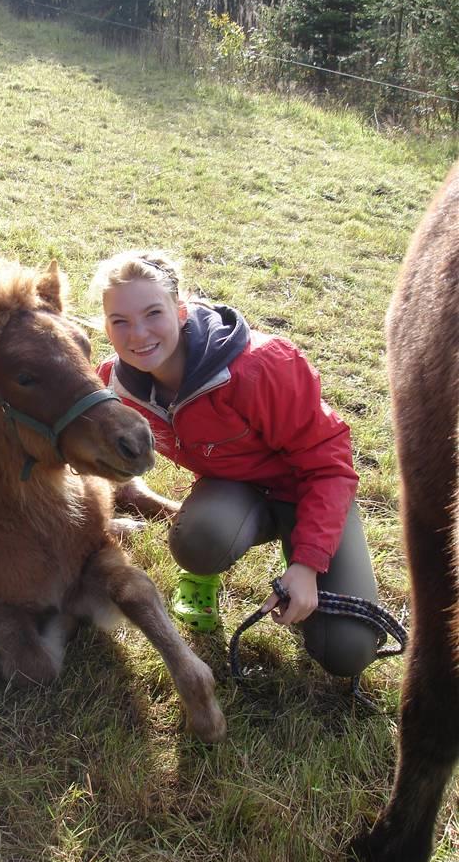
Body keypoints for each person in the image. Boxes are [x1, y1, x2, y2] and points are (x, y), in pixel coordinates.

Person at [90, 249, 380, 680]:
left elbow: (330, 467)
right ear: (106, 326)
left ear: (181, 309)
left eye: (153, 313)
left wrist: (307, 565)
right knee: (198, 539)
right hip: (236, 489)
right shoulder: (116, 386)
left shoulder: (263, 365)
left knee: (347, 651)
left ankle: (315, 566)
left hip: (310, 489)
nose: (138, 334)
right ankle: (203, 575)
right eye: (120, 321)